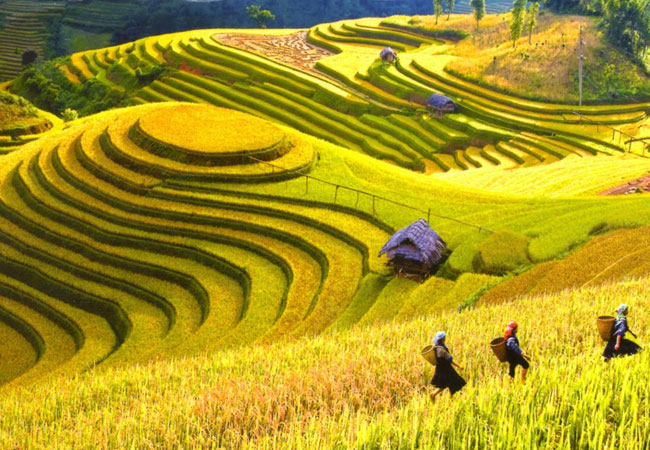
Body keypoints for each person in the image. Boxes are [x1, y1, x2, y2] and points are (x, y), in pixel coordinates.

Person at [429, 331, 466, 402]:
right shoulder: (442, 350)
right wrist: (459, 366)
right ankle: (434, 395)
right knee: (454, 382)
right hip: (446, 370)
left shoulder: (436, 347)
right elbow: (450, 360)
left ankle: (448, 399)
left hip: (440, 369)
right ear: (443, 339)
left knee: (446, 384)